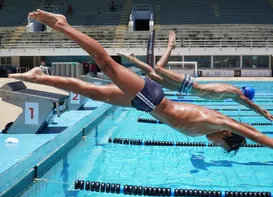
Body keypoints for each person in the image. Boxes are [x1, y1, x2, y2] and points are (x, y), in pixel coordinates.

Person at [10, 9, 273, 154]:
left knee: (92, 91)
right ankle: (62, 24)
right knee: (106, 63)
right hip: (151, 98)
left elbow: (248, 125)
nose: (215, 144)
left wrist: (258, 113)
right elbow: (254, 134)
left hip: (147, 102)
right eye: (221, 144)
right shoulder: (220, 123)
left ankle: (41, 77)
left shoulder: (212, 126)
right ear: (228, 134)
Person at [117, 31, 273, 121]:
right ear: (246, 94)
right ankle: (171, 45)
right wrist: (265, 113)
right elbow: (250, 105)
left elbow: (246, 104)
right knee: (159, 67)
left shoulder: (232, 94)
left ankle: (132, 58)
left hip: (187, 89)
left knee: (153, 76)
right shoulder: (236, 93)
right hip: (190, 85)